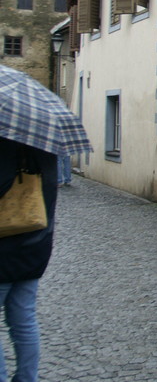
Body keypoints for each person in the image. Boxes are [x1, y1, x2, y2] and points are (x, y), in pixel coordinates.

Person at [1, 137, 59, 382]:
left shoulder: (5, 147)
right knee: (24, 319)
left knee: (24, 319)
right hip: (36, 243)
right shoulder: (46, 145)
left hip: (4, 247)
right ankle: (27, 378)